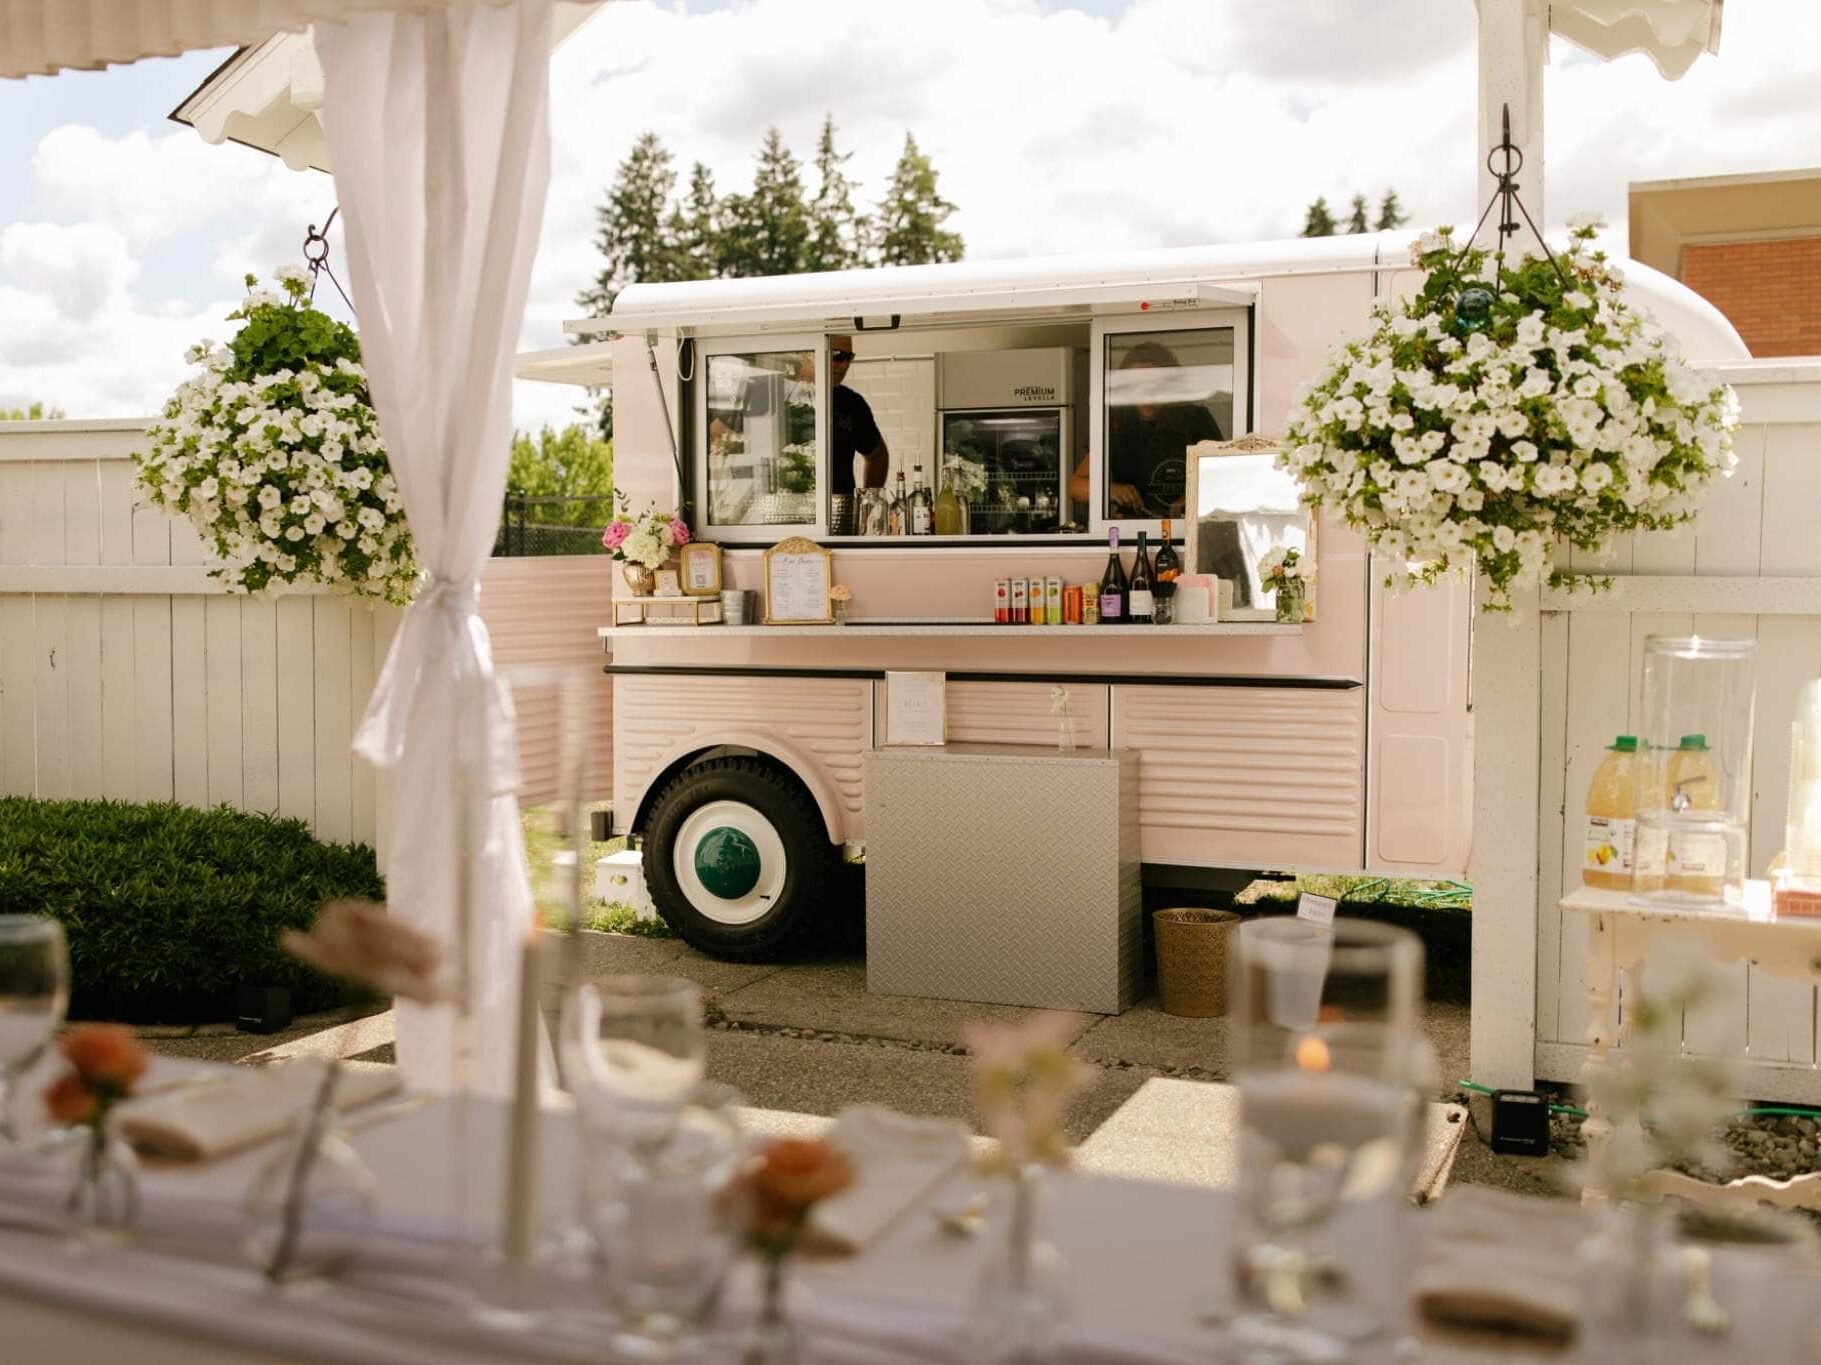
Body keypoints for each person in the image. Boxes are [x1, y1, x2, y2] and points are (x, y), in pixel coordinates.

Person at [708, 334, 888, 499]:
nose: (845, 365)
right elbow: (713, 440)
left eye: (849, 357)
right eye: (837, 355)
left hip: (836, 520)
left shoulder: (851, 403)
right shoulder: (764, 391)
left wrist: (868, 502)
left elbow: (877, 455)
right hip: (773, 516)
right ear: (808, 352)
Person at [1069, 340, 1223, 517]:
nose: (1145, 389)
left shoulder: (1194, 419)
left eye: (1153, 382)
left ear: (1169, 384)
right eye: (1137, 383)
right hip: (1135, 530)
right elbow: (1076, 487)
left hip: (1188, 528)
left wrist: (1193, 498)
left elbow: (1225, 475)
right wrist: (1109, 489)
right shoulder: (1116, 424)